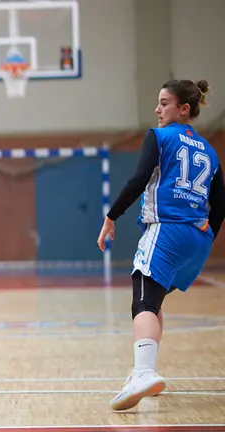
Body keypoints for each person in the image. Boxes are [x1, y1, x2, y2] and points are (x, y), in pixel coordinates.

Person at [97, 79, 224, 411]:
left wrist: (112, 216)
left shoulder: (160, 137)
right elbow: (221, 203)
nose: (157, 109)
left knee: (142, 302)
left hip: (166, 231)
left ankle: (143, 371)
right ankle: (144, 370)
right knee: (153, 301)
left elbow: (139, 179)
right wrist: (210, 235)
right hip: (198, 241)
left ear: (184, 109)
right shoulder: (209, 150)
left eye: (164, 103)